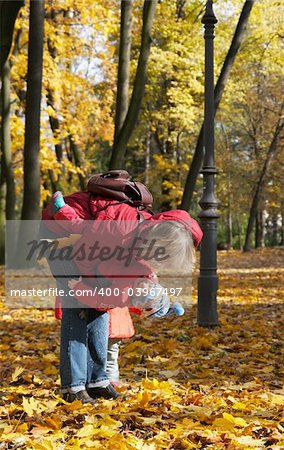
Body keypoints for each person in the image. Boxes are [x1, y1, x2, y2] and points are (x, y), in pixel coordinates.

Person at [42, 172, 202, 404]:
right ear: (155, 237)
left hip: (91, 256)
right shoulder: (120, 229)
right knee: (77, 316)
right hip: (60, 231)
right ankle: (73, 387)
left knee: (99, 319)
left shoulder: (145, 246)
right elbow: (81, 229)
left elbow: (142, 273)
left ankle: (97, 381)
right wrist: (78, 285)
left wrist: (158, 301)